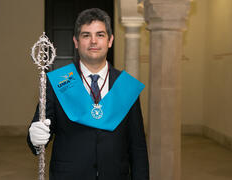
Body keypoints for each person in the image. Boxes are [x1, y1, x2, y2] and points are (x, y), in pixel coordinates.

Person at [27, 8, 149, 180]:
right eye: (86, 35)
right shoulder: (58, 82)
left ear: (110, 40)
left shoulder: (125, 86)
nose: (93, 41)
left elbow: (137, 147)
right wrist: (35, 138)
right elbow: (39, 136)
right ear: (76, 42)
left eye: (100, 35)